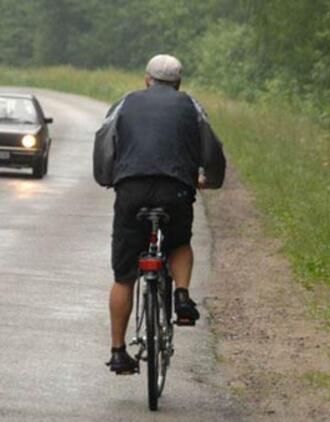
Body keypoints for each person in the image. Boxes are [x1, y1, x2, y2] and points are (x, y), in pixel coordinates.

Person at [93, 54, 226, 374]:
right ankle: (181, 296)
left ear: (146, 79)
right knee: (178, 240)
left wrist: (106, 176)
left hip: (131, 191)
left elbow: (104, 142)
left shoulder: (125, 104)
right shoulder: (191, 106)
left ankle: (118, 351)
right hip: (175, 188)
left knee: (124, 276)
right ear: (179, 83)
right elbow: (211, 149)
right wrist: (212, 179)